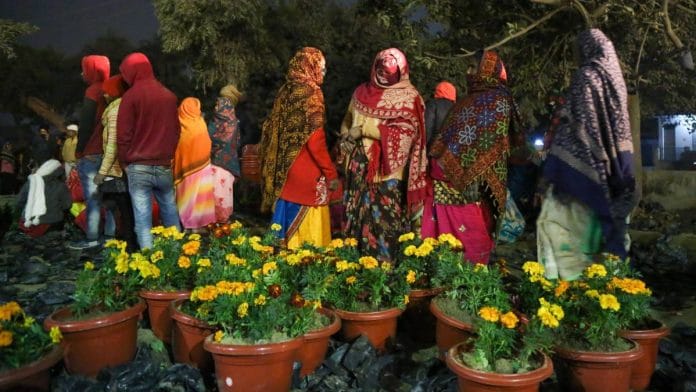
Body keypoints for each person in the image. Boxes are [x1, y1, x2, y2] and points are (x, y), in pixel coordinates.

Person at [538, 29, 638, 280]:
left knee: (560, 234)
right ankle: (605, 301)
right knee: (602, 245)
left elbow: (579, 127)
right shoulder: (615, 80)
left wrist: (553, 171)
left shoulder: (586, 76)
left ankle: (564, 300)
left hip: (582, 174)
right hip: (614, 170)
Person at [423, 50, 521, 264]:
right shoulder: (471, 100)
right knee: (456, 234)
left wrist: (465, 166)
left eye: (471, 67)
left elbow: (491, 143)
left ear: (485, 69)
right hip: (450, 176)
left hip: (472, 182)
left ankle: (472, 277)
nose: (467, 72)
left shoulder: (497, 101)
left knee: (472, 229)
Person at [338, 48, 428, 260]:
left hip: (388, 175)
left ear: (400, 71)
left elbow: (405, 135)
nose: (382, 75)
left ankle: (384, 277)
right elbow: (347, 121)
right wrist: (346, 140)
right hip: (358, 171)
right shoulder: (360, 92)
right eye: (379, 69)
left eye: (388, 71)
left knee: (384, 225)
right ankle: (353, 274)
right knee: (355, 221)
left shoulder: (409, 98)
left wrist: (362, 131)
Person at [260, 47, 338, 248]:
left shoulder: (286, 91)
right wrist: (330, 174)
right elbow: (315, 140)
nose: (323, 71)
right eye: (321, 66)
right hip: (307, 174)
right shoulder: (312, 94)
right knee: (309, 243)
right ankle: (307, 265)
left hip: (285, 170)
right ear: (310, 67)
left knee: (282, 232)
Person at [117, 52, 181, 249]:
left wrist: (124, 162)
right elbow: (176, 131)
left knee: (143, 221)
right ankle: (177, 258)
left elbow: (123, 135)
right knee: (170, 213)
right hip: (163, 165)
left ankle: (148, 265)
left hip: (138, 166)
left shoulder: (130, 97)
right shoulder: (169, 96)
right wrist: (167, 154)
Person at [69, 55, 115, 250]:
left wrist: (79, 150)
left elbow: (86, 124)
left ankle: (92, 238)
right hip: (111, 153)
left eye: (84, 69)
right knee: (112, 198)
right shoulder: (114, 90)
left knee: (93, 199)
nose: (82, 73)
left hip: (92, 153)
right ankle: (111, 237)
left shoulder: (93, 91)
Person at [93, 75, 137, 252]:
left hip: (118, 169)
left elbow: (113, 143)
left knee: (123, 208)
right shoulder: (122, 107)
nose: (104, 95)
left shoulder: (115, 111)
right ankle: (130, 242)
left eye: (107, 92)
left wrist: (102, 172)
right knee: (126, 207)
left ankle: (130, 245)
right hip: (124, 166)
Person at [175, 97, 234, 229]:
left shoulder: (178, 125)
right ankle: (202, 222)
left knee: (187, 196)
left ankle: (188, 223)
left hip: (185, 168)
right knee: (201, 197)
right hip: (203, 167)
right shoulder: (201, 123)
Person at [16, 159, 71, 238]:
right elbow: (67, 205)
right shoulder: (61, 186)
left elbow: (19, 201)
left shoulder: (31, 182)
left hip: (27, 224)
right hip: (51, 223)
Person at [209, 84, 242, 178]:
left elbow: (208, 136)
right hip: (231, 166)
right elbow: (238, 142)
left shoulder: (216, 120)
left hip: (214, 164)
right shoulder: (234, 120)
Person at [424, 81, 457, 147]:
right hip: (450, 148)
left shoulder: (432, 104)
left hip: (433, 146)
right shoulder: (457, 107)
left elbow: (427, 127)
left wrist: (424, 146)